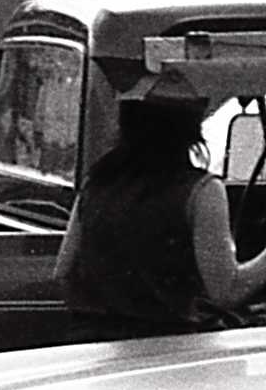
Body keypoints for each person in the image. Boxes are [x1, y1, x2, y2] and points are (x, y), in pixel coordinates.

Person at [55, 73, 266, 338]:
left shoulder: (97, 181)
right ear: (192, 126)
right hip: (169, 348)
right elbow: (227, 290)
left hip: (92, 341)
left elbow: (64, 272)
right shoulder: (201, 192)